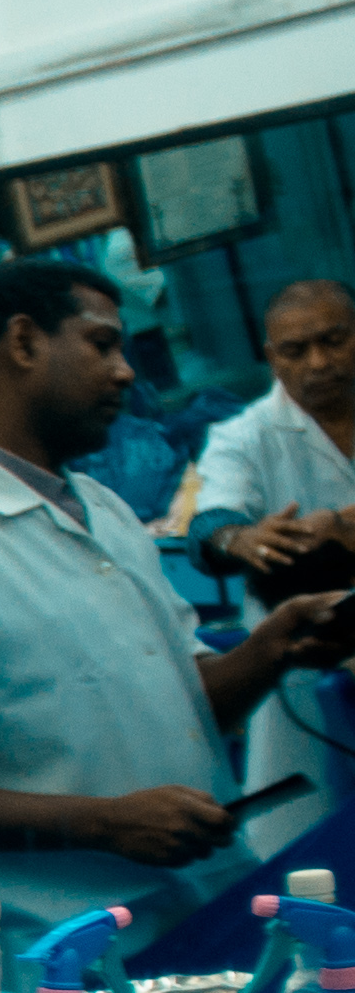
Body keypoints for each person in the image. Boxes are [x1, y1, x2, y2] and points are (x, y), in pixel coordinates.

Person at [0, 261, 351, 944]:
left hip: (207, 911)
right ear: (23, 344)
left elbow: (184, 701)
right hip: (66, 956)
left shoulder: (104, 514)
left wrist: (271, 649)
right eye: (102, 345)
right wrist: (104, 823)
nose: (126, 372)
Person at [188, 278, 355, 854]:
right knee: (305, 860)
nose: (319, 362)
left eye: (335, 341)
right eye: (295, 350)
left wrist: (340, 526)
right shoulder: (244, 437)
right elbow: (208, 529)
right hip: (304, 679)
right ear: (271, 358)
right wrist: (243, 538)